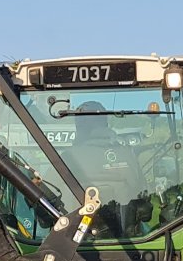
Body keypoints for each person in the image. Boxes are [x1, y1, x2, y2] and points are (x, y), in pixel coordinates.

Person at [63, 101, 150, 236]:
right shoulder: (126, 154)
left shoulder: (68, 158)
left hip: (76, 241)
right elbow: (142, 196)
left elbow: (51, 200)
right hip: (129, 240)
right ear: (105, 122)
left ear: (79, 126)